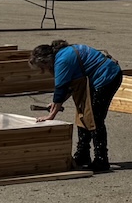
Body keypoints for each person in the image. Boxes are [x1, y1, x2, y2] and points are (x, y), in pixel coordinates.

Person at [30, 39, 122, 173]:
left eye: (43, 68)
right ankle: (83, 154)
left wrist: (51, 115)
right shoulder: (62, 54)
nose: (44, 71)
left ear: (46, 61)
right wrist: (55, 104)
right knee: (83, 114)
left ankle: (101, 159)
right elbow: (68, 87)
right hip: (99, 76)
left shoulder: (62, 61)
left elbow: (61, 89)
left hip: (107, 77)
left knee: (94, 118)